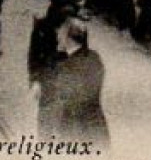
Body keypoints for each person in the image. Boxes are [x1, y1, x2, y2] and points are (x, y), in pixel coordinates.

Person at [36, 18, 109, 147]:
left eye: (61, 33)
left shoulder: (67, 68)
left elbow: (59, 105)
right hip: (96, 131)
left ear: (69, 39)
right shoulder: (93, 58)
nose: (57, 35)